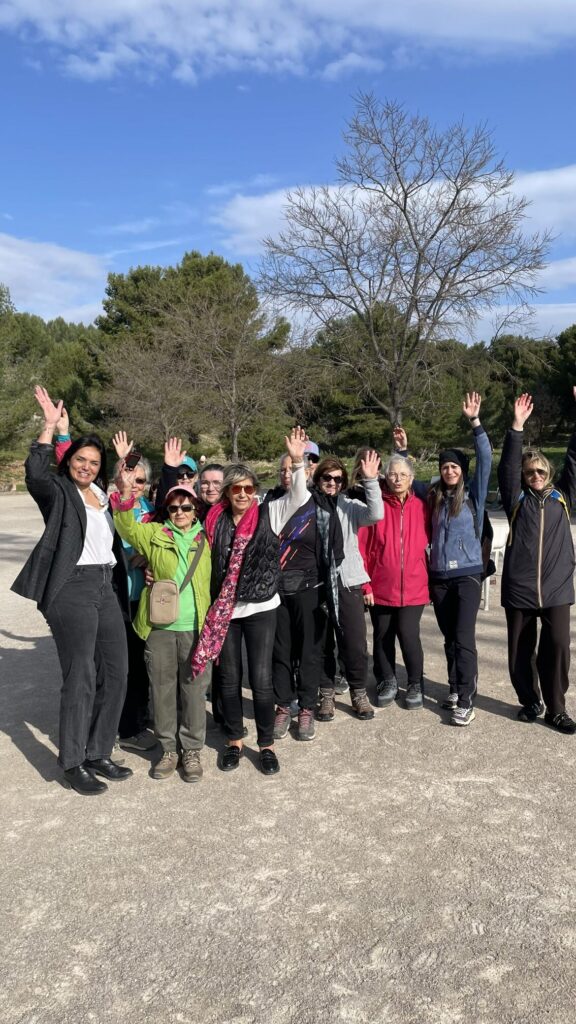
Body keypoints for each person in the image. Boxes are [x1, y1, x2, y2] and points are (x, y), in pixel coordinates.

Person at [12, 387, 132, 796]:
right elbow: (35, 474)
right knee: (81, 674)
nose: (87, 466)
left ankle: (98, 751)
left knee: (116, 672)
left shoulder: (101, 495)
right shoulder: (59, 492)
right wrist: (49, 428)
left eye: (94, 462)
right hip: (72, 587)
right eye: (81, 459)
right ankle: (73, 761)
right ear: (70, 462)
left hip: (105, 584)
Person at [191, 427, 310, 775]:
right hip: (225, 611)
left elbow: (299, 496)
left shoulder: (270, 513)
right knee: (229, 679)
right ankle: (234, 741)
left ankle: (266, 744)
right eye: (236, 489)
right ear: (227, 492)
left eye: (248, 488)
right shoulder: (214, 519)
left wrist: (298, 462)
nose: (242, 494)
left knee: (261, 679)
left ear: (254, 490)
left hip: (260, 607)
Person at [54, 426, 157, 755]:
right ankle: (116, 733)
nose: (134, 484)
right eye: (130, 477)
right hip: (112, 594)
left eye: (141, 480)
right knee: (103, 670)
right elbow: (74, 470)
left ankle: (128, 724)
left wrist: (150, 556)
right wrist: (61, 435)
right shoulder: (106, 502)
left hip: (141, 599)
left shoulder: (149, 509)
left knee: (132, 669)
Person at [111, 471, 213, 780]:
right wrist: (125, 494)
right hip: (160, 628)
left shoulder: (208, 537)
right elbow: (126, 527)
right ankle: (169, 749)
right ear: (167, 510)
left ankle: (191, 749)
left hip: (196, 627)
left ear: (195, 510)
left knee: (194, 691)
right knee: (162, 690)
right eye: (173, 508)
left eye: (186, 507)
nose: (180, 512)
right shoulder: (154, 533)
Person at [497, 391, 576, 734]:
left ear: (549, 472)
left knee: (557, 645)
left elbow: (575, 459)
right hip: (520, 587)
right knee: (519, 650)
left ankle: (556, 709)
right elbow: (507, 467)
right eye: (529, 471)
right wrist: (517, 426)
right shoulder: (516, 498)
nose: (535, 475)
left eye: (540, 470)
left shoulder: (563, 497)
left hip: (556, 587)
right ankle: (530, 700)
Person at [428, 392, 492, 726]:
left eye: (454, 466)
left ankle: (467, 699)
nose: (449, 470)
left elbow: (486, 457)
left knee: (464, 637)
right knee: (449, 637)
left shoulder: (473, 494)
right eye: (444, 466)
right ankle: (454, 687)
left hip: (467, 574)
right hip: (439, 577)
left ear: (462, 470)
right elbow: (401, 481)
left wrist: (475, 422)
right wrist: (401, 453)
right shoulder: (434, 496)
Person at [311, 452, 384, 724]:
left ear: (343, 483)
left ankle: (358, 691)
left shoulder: (350, 506)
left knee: (354, 643)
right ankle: (327, 692)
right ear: (318, 479)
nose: (332, 483)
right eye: (327, 478)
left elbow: (375, 514)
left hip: (347, 581)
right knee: (321, 643)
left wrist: (371, 480)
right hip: (317, 582)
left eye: (338, 479)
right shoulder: (308, 506)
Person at [359, 448, 430, 710]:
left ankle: (415, 683)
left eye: (403, 475)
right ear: (385, 477)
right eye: (392, 474)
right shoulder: (375, 507)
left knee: (409, 635)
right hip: (381, 586)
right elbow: (362, 548)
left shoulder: (422, 507)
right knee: (382, 636)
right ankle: (387, 680)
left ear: (411, 479)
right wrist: (365, 584)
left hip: (414, 587)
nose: (397, 479)